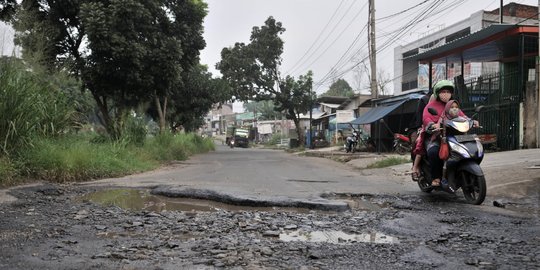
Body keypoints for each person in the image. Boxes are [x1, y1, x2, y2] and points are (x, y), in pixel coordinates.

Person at [421, 80, 464, 187]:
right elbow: (426, 118)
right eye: (443, 91)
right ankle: (436, 177)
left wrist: (472, 121)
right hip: (436, 136)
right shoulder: (431, 106)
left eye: (448, 91)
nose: (446, 94)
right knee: (433, 152)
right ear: (437, 93)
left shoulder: (452, 105)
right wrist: (432, 124)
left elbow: (462, 115)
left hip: (453, 136)